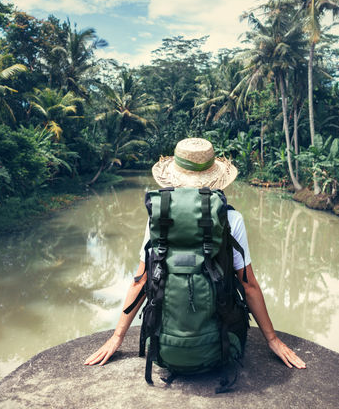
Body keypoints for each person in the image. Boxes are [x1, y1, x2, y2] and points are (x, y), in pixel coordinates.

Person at [84, 138, 306, 370]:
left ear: (172, 177)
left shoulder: (159, 217)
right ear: (216, 177)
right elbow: (248, 286)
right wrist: (272, 339)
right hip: (220, 350)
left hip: (164, 351)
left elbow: (142, 280)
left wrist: (117, 337)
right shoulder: (231, 219)